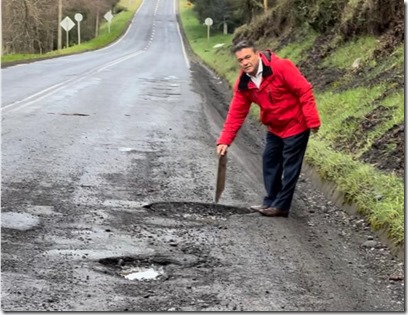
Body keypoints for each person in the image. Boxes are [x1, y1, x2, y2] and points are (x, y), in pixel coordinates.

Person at [216, 39, 321, 217]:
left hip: (296, 124)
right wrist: (224, 140)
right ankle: (271, 201)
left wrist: (312, 121)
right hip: (275, 127)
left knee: (290, 167)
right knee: (269, 161)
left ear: (257, 54)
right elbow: (236, 113)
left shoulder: (281, 67)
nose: (245, 63)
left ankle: (281, 207)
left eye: (248, 57)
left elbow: (304, 90)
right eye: (240, 60)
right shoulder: (244, 83)